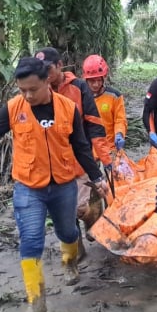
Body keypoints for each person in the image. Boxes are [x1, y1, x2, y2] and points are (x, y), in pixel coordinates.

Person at [0, 57, 109, 312]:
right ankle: (36, 304)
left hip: (63, 184)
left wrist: (97, 177)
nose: (27, 95)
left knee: (67, 232)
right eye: (22, 90)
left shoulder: (68, 109)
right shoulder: (13, 108)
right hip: (29, 186)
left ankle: (70, 261)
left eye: (33, 89)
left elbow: (80, 146)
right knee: (30, 241)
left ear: (47, 82)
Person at [34, 47, 112, 251]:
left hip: (81, 159)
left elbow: (95, 125)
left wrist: (106, 160)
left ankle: (93, 216)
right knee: (62, 211)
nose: (44, 74)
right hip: (52, 164)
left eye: (48, 69)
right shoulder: (36, 91)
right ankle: (73, 255)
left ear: (59, 66)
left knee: (80, 208)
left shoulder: (78, 88)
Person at [82, 54, 128, 152]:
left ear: (104, 78)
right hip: (87, 150)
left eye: (99, 80)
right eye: (92, 81)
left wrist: (119, 134)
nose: (96, 84)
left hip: (110, 148)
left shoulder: (114, 96)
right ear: (86, 80)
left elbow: (120, 119)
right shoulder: (80, 96)